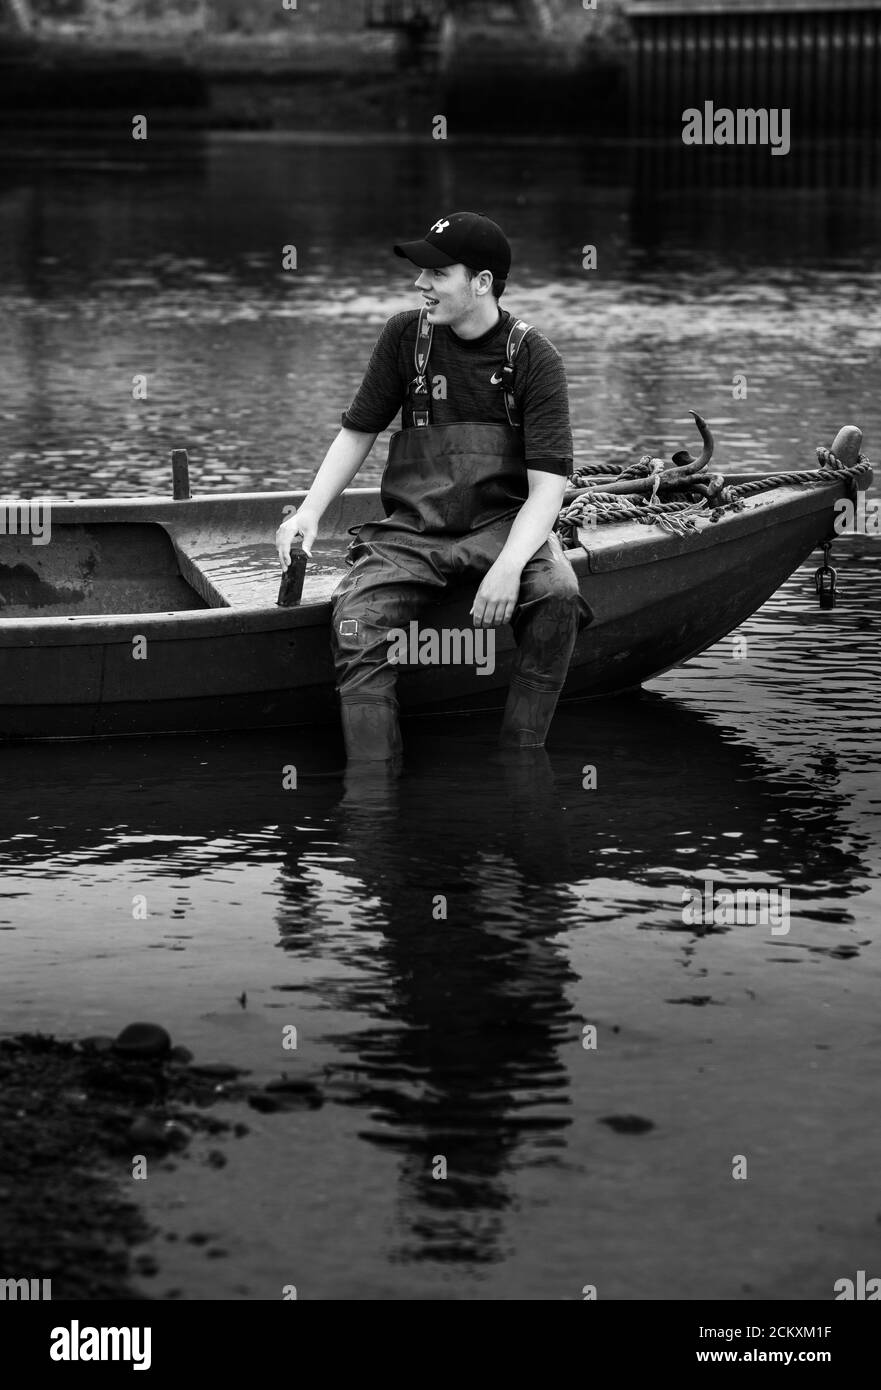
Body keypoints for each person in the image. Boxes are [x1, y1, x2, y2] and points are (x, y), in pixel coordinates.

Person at [276, 211, 593, 766]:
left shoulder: (534, 359)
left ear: (482, 283)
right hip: (412, 531)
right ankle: (372, 795)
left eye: (437, 273)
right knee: (355, 621)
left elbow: (547, 490)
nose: (419, 284)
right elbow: (357, 433)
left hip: (503, 526)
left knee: (559, 596)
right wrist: (308, 512)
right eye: (421, 271)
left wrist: (510, 566)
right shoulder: (405, 337)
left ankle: (521, 761)